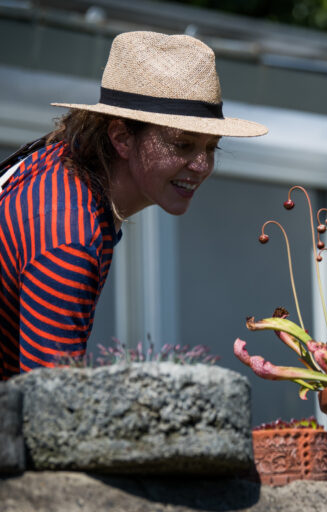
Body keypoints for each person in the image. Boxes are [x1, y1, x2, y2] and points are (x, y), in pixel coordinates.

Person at [0, 31, 268, 379]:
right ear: (122, 137)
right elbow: (52, 410)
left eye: (211, 147)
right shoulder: (70, 235)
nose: (202, 165)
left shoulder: (58, 164)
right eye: (183, 144)